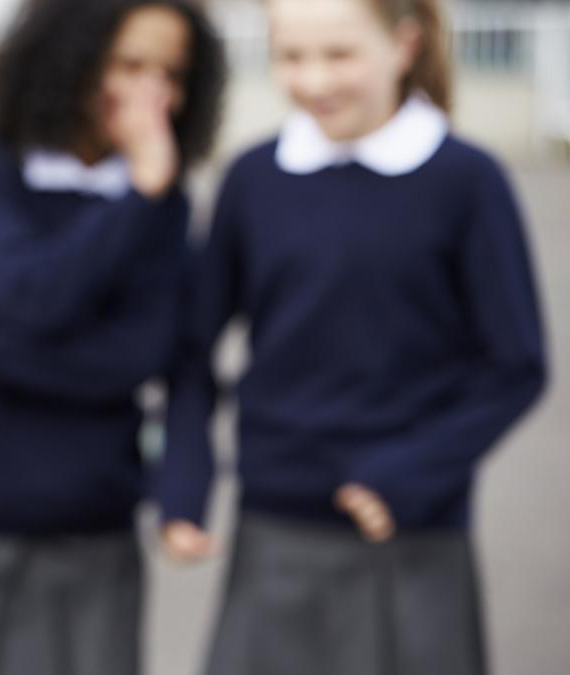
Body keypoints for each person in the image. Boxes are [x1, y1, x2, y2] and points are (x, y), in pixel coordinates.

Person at [159, 1, 547, 673]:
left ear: (404, 44)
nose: (313, 81)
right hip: (273, 528)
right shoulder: (253, 178)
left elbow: (516, 365)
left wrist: (409, 474)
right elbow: (191, 349)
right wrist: (184, 485)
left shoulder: (466, 180)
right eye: (291, 56)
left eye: (340, 55)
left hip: (411, 535)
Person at [0, 1, 225, 673]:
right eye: (130, 64)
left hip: (94, 529)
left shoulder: (165, 205)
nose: (152, 93)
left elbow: (132, 358)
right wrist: (138, 193)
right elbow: (31, 297)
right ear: (68, 56)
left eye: (170, 73)